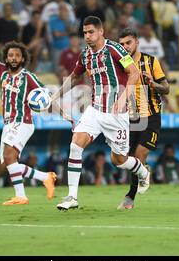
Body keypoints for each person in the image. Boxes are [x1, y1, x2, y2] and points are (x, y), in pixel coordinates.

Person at [50, 16, 150, 211]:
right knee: (75, 145)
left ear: (101, 31)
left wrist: (122, 98)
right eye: (85, 33)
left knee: (119, 161)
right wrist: (57, 95)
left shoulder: (115, 49)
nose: (87, 36)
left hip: (117, 114)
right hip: (94, 110)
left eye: (91, 32)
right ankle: (72, 197)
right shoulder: (85, 55)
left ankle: (143, 172)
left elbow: (134, 73)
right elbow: (74, 76)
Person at [0, 17, 56, 205]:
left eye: (17, 55)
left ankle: (21, 196)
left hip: (23, 122)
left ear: (23, 59)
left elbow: (46, 95)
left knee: (8, 157)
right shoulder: (2, 72)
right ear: (6, 57)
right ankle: (44, 177)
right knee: (9, 162)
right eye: (11, 55)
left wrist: (63, 114)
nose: (13, 58)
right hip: (9, 123)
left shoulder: (29, 77)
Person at [116, 27, 169, 210]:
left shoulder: (151, 61)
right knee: (125, 158)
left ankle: (130, 197)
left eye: (128, 42)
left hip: (151, 115)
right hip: (130, 117)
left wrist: (153, 84)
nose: (125, 47)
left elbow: (166, 88)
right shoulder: (119, 63)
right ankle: (143, 173)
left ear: (137, 42)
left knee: (140, 154)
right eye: (121, 44)